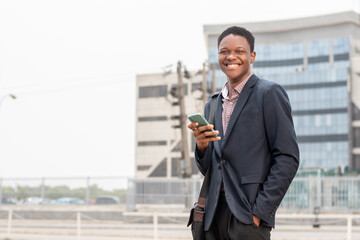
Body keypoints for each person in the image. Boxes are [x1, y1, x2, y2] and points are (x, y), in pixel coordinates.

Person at [188, 26, 299, 240]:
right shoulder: (212, 105)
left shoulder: (269, 93)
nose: (231, 56)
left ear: (252, 56)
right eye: (224, 51)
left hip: (248, 215)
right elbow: (209, 168)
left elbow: (287, 158)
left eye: (239, 51)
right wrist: (202, 147)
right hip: (211, 216)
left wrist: (261, 211)